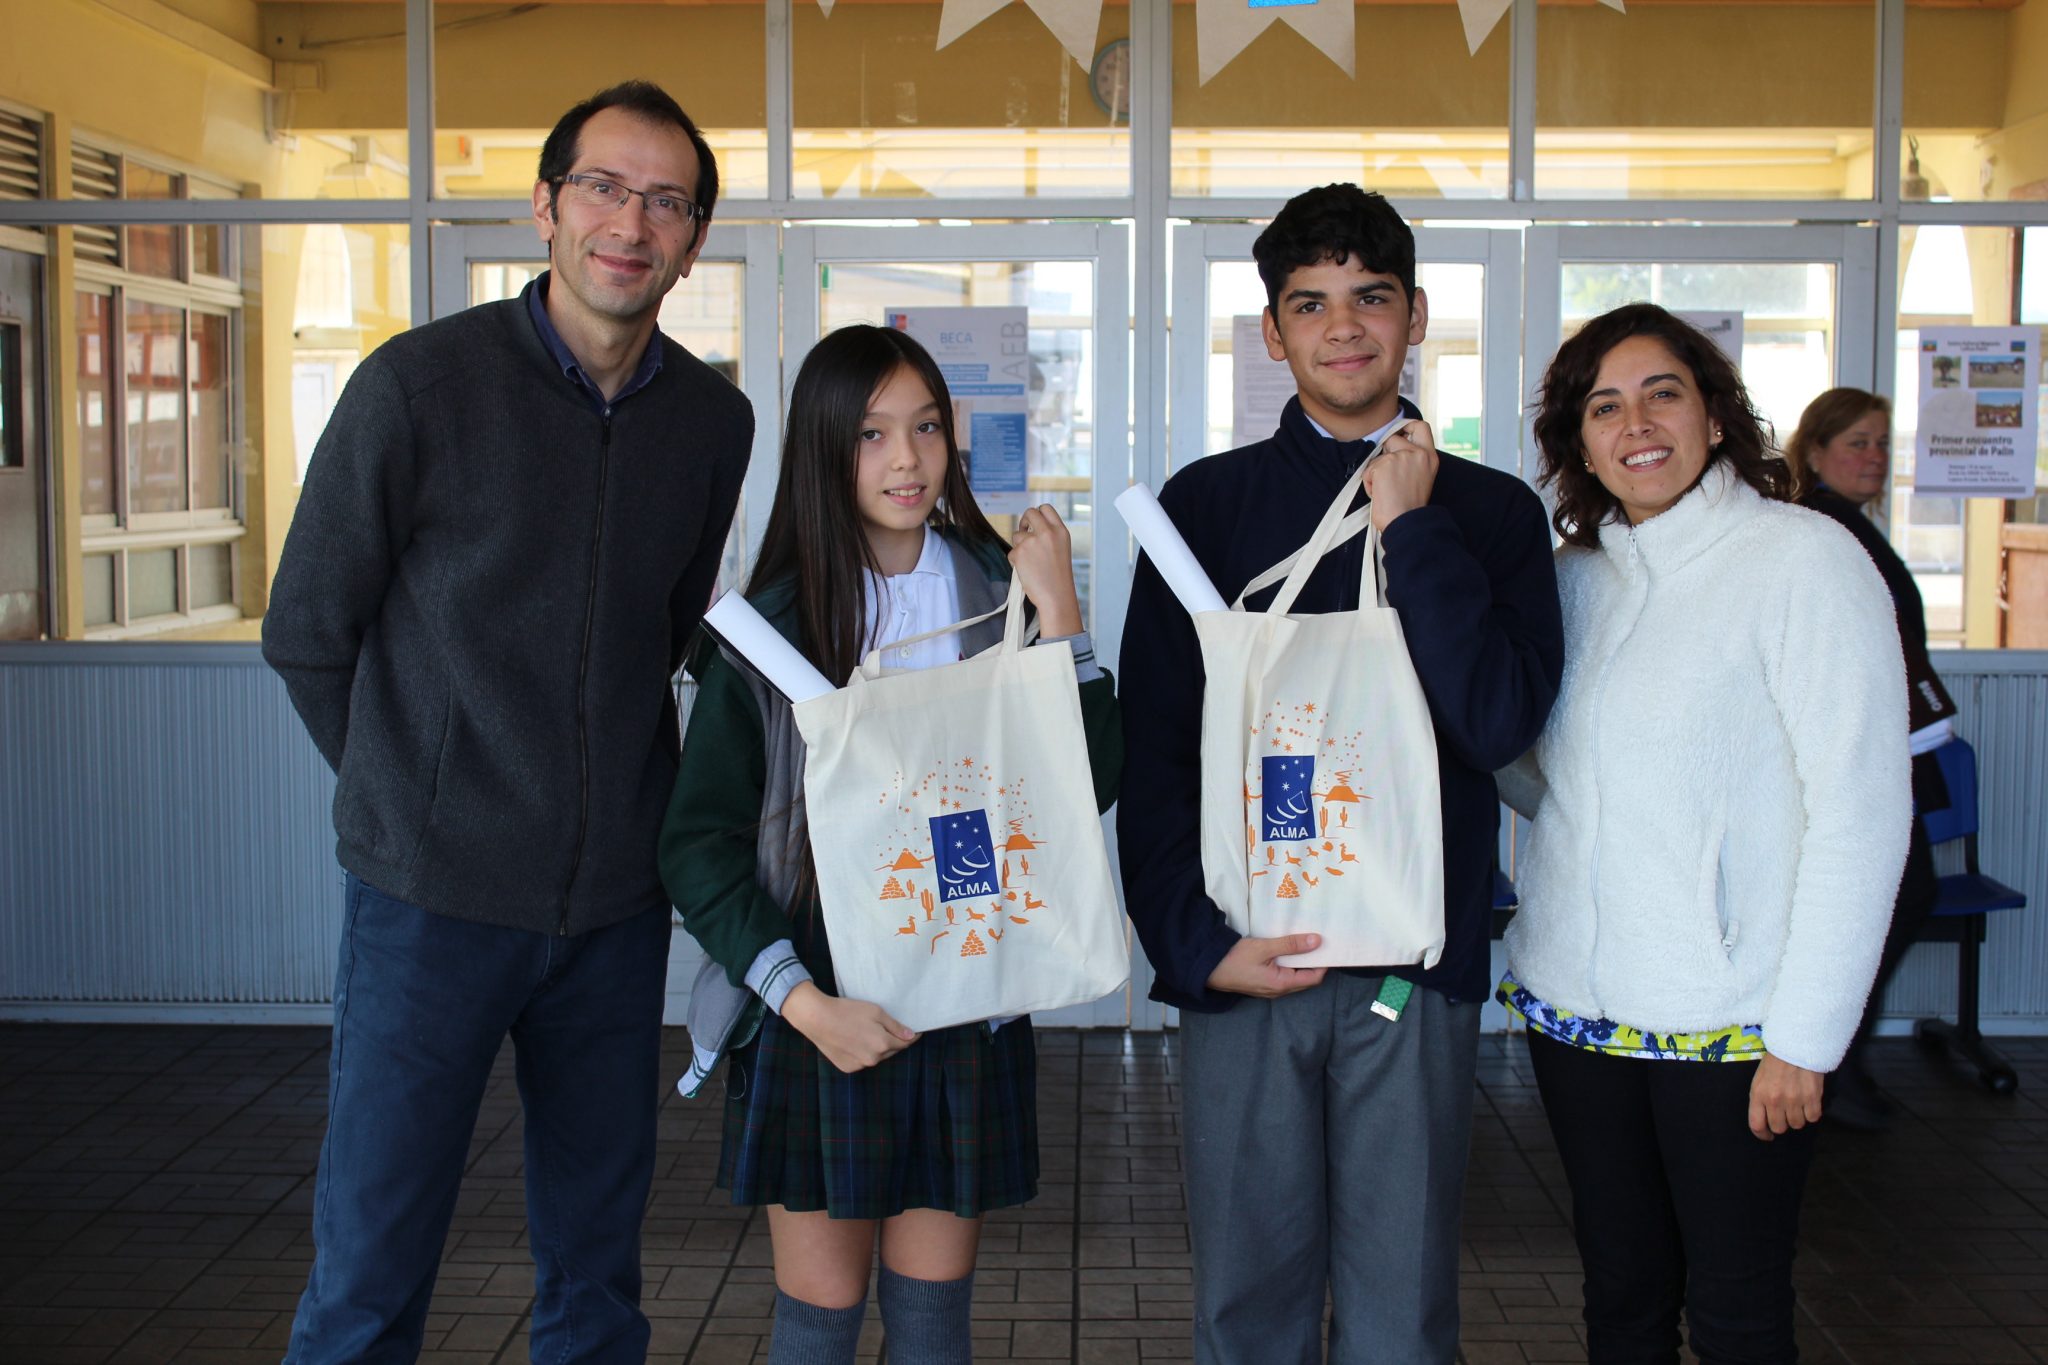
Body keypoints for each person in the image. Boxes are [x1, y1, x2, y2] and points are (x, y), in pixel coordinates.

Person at [261, 81, 752, 1362]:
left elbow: (666, 631)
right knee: (373, 1261)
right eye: (603, 186)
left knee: (596, 1271)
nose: (629, 223)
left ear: (693, 239)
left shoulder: (713, 422)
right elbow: (306, 627)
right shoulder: (418, 387)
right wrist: (409, 804)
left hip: (610, 909)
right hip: (429, 906)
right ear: (543, 206)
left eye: (666, 201)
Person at [1117, 183, 1565, 1364]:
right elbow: (1156, 748)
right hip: (1244, 957)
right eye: (1309, 304)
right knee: (1245, 1300)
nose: (1344, 327)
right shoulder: (1203, 508)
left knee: (1401, 1306)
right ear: (1273, 333)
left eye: (1370, 297)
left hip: (1410, 963)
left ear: (1415, 315)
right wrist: (1192, 943)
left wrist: (1411, 531)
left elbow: (1495, 719)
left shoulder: (1489, 512)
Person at [659, 324, 1122, 1365]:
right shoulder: (768, 632)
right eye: (870, 435)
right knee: (817, 1324)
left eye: (924, 429)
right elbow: (699, 844)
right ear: (825, 448)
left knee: (929, 1322)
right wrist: (804, 1004)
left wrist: (1063, 620)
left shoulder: (997, 590)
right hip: (822, 1007)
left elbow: (1087, 784)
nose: (906, 460)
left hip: (966, 992)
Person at [1497, 306, 1912, 1364]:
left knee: (1734, 1311)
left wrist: (1804, 1039)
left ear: (1714, 416)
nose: (1634, 423)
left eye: (1660, 392)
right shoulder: (1573, 579)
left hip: (1732, 1033)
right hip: (1577, 1019)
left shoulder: (1801, 562)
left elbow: (1859, 814)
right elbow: (1549, 782)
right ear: (1577, 442)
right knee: (1620, 1300)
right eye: (1602, 406)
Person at [1786, 387, 1956, 1130]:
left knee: (1905, 890)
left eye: (1883, 443)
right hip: (1857, 751)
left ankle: (1836, 1055)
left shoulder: (1850, 525)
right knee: (1899, 888)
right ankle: (1828, 1054)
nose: (1874, 458)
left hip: (1884, 743)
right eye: (1857, 441)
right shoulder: (1827, 528)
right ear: (1816, 450)